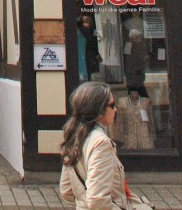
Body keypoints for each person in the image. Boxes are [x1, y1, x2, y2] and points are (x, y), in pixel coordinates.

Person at [60, 81, 147, 210]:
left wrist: (83, 203)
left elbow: (66, 191)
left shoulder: (74, 138)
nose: (115, 109)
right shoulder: (101, 143)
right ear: (99, 111)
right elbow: (97, 200)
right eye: (112, 105)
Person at [77, 15, 101, 81]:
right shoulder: (91, 31)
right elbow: (93, 45)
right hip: (88, 54)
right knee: (88, 71)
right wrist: (98, 57)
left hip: (80, 54)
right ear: (89, 22)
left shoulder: (78, 30)